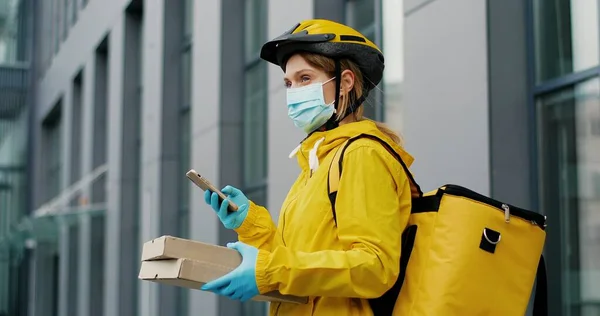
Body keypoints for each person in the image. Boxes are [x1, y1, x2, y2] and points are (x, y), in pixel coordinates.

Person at [201, 19, 415, 315]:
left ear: (346, 83)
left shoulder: (362, 154)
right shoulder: (318, 162)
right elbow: (295, 260)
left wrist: (271, 269)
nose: (294, 91)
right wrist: (250, 224)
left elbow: (374, 267)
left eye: (305, 78)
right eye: (289, 83)